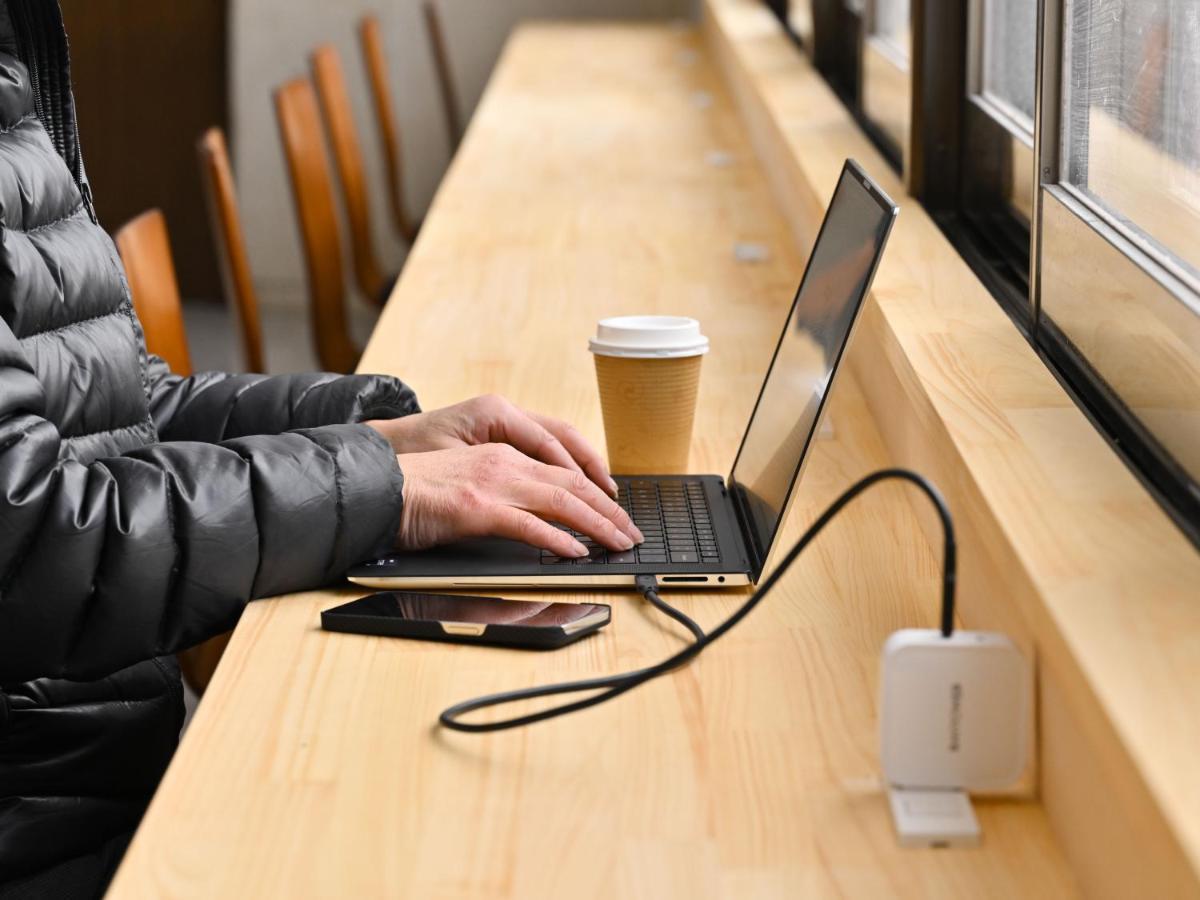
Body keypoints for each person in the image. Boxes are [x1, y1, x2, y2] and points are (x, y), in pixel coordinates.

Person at [0, 3, 640, 896]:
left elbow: (122, 416)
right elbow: (34, 541)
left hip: (108, 772)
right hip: (56, 838)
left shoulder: (15, 56)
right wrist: (387, 491)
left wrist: (379, 434)